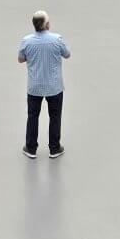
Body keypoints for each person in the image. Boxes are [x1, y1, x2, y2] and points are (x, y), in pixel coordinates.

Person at [18, 10, 70, 159]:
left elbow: (20, 59)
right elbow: (67, 54)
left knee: (33, 116)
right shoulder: (57, 39)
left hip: (34, 86)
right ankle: (54, 148)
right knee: (55, 116)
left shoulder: (26, 41)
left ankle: (31, 148)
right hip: (54, 86)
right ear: (47, 25)